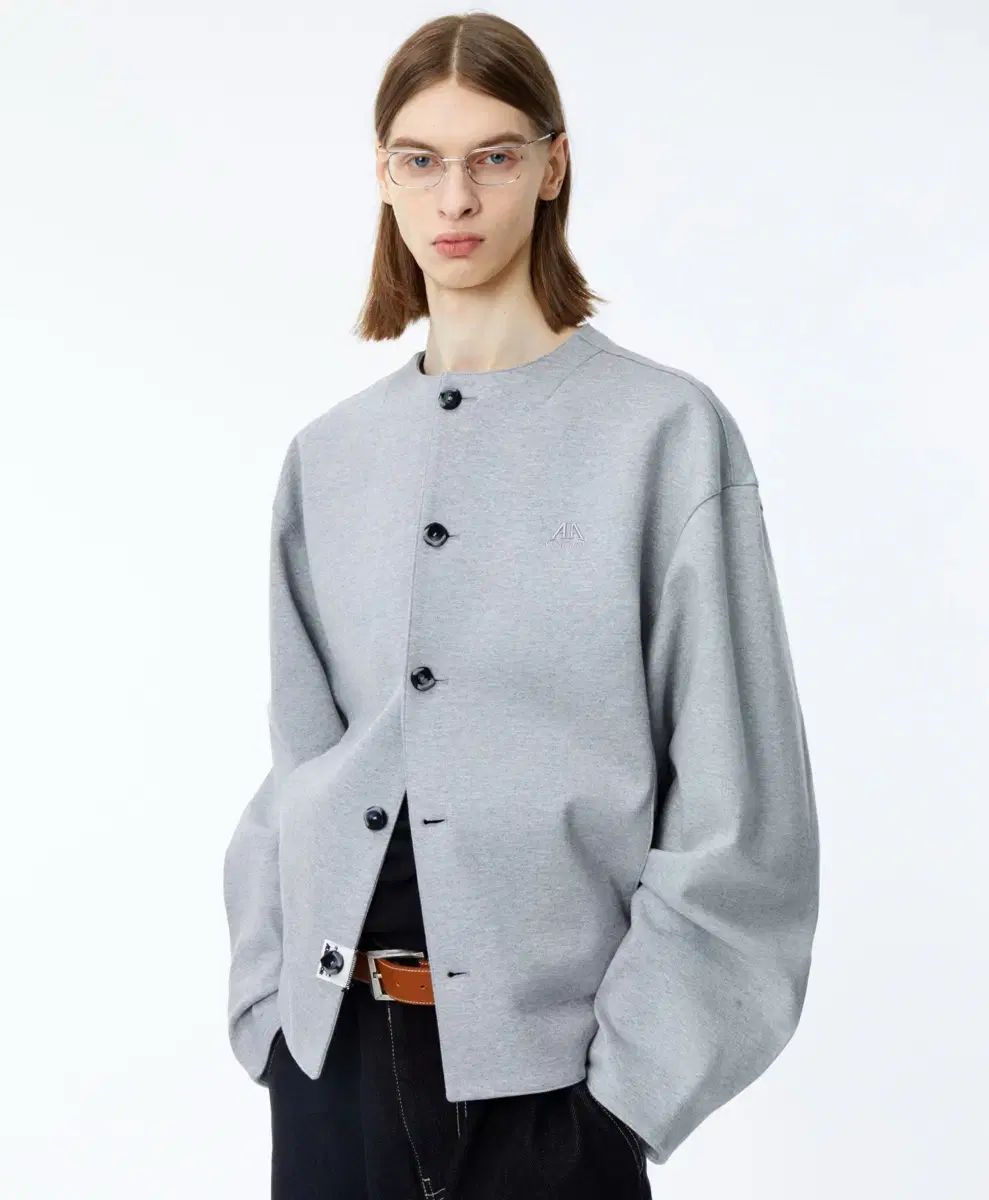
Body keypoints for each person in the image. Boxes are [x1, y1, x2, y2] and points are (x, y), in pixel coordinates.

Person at [222, 12, 820, 1200]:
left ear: (551, 167)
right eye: (420, 159)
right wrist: (267, 1016)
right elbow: (296, 762)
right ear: (382, 176)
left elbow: (740, 813)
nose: (455, 196)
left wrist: (623, 1098)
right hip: (329, 1069)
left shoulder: (662, 435)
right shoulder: (328, 458)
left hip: (553, 1098)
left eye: (492, 155)